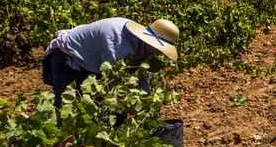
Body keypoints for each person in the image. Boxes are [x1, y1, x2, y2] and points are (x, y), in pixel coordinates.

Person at [42, 17, 179, 107]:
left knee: (92, 104)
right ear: (151, 41)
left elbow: (142, 77)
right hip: (67, 57)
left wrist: (145, 104)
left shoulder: (143, 47)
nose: (159, 53)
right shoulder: (118, 40)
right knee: (67, 105)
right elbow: (110, 79)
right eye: (159, 49)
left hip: (91, 63)